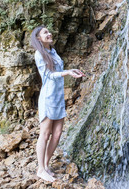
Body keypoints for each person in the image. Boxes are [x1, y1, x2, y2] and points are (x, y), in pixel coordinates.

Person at [30, 25, 85, 182]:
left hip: (58, 97)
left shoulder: (52, 51)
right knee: (45, 133)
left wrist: (71, 70)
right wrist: (66, 73)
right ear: (39, 38)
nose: (49, 34)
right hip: (48, 98)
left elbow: (58, 70)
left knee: (58, 133)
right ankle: (40, 169)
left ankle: (46, 165)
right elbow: (48, 75)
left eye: (49, 31)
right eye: (45, 33)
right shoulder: (39, 54)